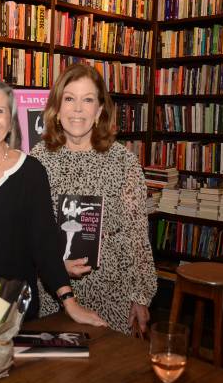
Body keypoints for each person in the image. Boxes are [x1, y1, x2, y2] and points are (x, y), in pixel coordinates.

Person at [0, 77, 106, 326]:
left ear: (10, 120)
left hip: (12, 307)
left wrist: (69, 301)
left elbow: (44, 242)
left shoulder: (30, 171)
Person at [31, 63, 158, 336]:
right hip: (53, 294)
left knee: (108, 374)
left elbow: (137, 234)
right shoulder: (36, 160)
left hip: (111, 292)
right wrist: (55, 266)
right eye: (69, 99)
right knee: (51, 376)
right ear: (57, 107)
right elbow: (27, 232)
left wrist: (141, 295)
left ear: (99, 110)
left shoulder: (123, 161)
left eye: (87, 100)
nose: (77, 109)